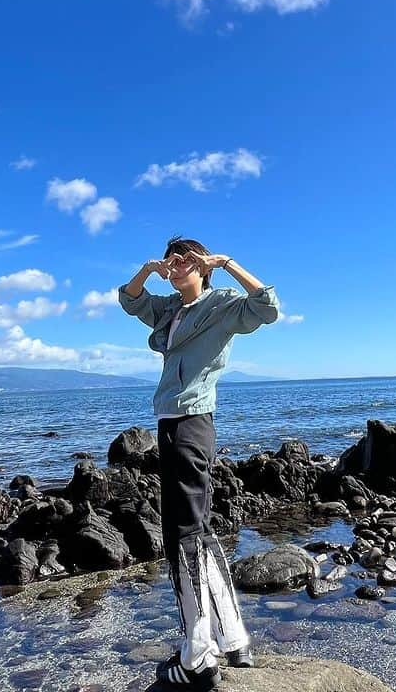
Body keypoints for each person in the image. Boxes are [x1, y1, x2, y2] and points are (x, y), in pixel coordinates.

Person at [118, 236, 280, 690]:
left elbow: (267, 307)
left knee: (182, 537)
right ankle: (234, 640)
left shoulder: (221, 304)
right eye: (172, 260)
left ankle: (197, 654)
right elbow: (130, 301)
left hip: (192, 422)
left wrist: (226, 262)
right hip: (171, 423)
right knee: (199, 532)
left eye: (185, 260)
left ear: (203, 266)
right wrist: (149, 268)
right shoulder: (171, 308)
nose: (176, 266)